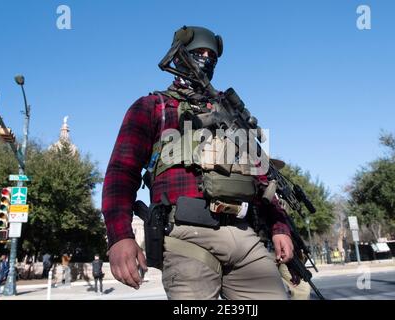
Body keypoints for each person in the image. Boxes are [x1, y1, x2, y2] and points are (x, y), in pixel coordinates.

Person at [102, 25, 295, 300]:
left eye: (211, 56)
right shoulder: (153, 107)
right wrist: (120, 236)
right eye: (198, 53)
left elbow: (263, 178)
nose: (206, 59)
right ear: (180, 56)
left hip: (244, 236)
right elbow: (121, 174)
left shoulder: (230, 115)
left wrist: (279, 227)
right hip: (186, 237)